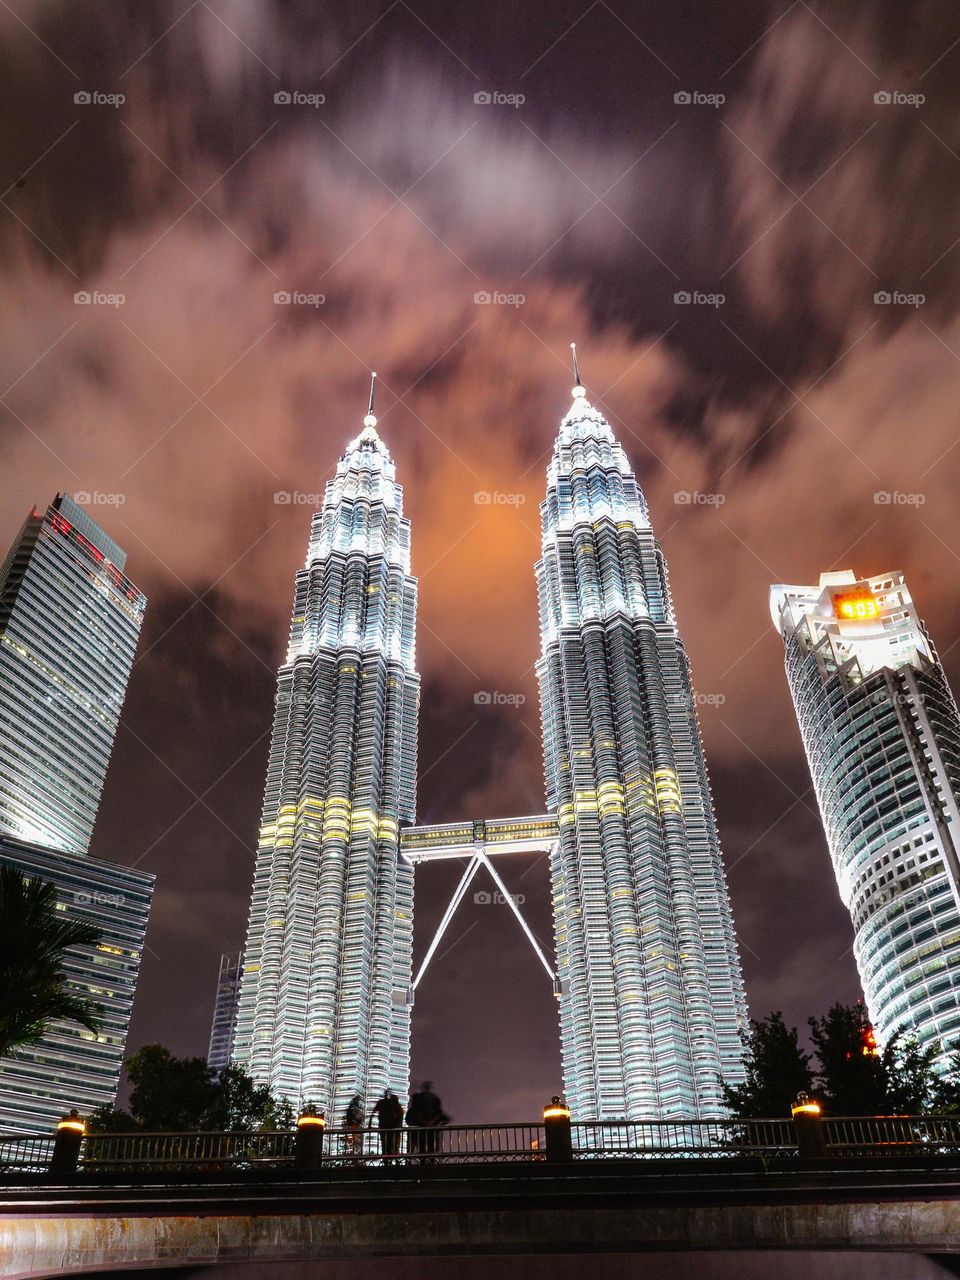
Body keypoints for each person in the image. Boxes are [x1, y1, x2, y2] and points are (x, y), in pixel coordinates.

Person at [405, 1080, 449, 1160]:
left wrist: (424, 1123)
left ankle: (416, 1161)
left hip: (420, 1132)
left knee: (423, 1152)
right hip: (431, 1133)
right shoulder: (434, 1098)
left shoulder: (418, 1098)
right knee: (430, 1153)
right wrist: (435, 1125)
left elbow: (411, 1117)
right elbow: (443, 1117)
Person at [371, 1089, 404, 1159]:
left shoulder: (390, 1105)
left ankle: (388, 1159)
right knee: (390, 1144)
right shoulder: (393, 1106)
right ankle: (390, 1159)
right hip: (390, 1128)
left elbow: (373, 1113)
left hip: (387, 1127)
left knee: (387, 1144)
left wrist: (369, 1125)